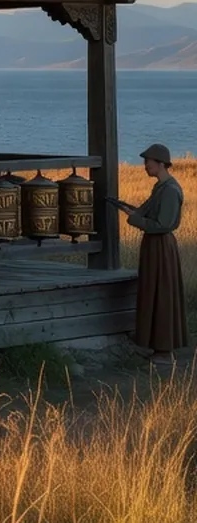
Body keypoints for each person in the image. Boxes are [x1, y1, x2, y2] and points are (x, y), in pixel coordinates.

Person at [115, 143, 188, 367]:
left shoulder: (170, 190)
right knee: (153, 293)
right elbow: (147, 211)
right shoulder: (161, 188)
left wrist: (135, 219)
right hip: (154, 247)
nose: (145, 166)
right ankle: (157, 347)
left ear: (160, 163)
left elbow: (163, 225)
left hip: (161, 248)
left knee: (162, 296)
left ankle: (164, 351)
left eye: (148, 162)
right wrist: (131, 211)